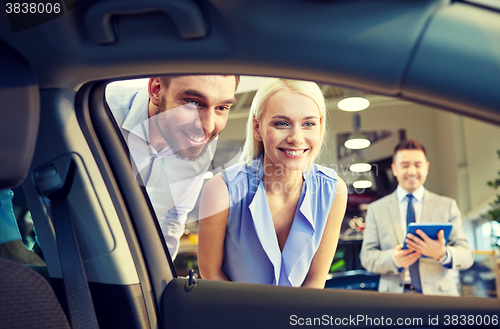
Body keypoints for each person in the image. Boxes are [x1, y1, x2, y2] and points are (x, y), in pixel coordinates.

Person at [197, 78, 347, 288]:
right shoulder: (221, 190)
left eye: (308, 124)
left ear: (319, 127)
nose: (296, 137)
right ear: (257, 128)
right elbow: (211, 274)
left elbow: (315, 280)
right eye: (281, 123)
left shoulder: (334, 191)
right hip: (237, 317)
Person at [106, 75, 240, 259]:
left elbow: (174, 216)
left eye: (222, 108)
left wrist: (161, 275)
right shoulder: (98, 112)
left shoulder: (200, 140)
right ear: (156, 89)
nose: (208, 126)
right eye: (194, 102)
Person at [360, 139, 474, 296]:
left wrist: (442, 253)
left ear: (427, 167)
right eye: (405, 165)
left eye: (418, 165)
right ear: (394, 169)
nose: (412, 171)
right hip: (393, 298)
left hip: (440, 298)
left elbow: (467, 255)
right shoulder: (376, 209)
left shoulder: (447, 206)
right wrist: (393, 258)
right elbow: (366, 258)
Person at [0, 189, 45, 266]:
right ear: (23, 218)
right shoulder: (19, 235)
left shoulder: (36, 239)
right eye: (30, 218)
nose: (32, 223)